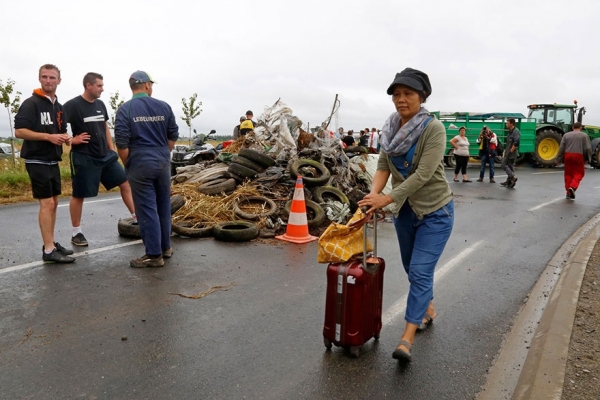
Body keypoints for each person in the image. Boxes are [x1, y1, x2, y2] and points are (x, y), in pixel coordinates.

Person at [358, 68, 453, 363]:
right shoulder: (390, 128)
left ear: (421, 97)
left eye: (408, 94)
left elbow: (423, 174)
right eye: (396, 94)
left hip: (435, 212)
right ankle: (430, 309)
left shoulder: (433, 128)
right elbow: (384, 166)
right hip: (405, 212)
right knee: (413, 269)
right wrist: (374, 196)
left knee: (421, 272)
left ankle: (406, 339)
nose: (401, 100)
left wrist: (386, 197)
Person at [114, 71, 179, 268]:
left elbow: (122, 142)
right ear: (147, 86)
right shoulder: (164, 106)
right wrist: (161, 152)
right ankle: (165, 248)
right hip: (162, 159)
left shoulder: (125, 109)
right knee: (163, 205)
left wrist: (129, 162)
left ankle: (153, 254)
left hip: (140, 160)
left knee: (146, 209)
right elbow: (173, 135)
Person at [63, 72, 136, 247]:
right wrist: (72, 140)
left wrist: (111, 149)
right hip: (84, 157)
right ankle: (76, 232)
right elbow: (57, 127)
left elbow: (104, 126)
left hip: (106, 156)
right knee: (79, 194)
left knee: (125, 183)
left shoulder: (100, 104)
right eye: (99, 86)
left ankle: (137, 218)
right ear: (88, 85)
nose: (102, 89)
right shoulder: (72, 105)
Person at [14, 64, 75, 263]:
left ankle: (51, 243)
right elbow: (20, 131)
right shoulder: (31, 103)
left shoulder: (58, 107)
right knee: (47, 203)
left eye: (52, 77)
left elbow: (59, 130)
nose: (48, 81)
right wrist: (48, 138)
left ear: (59, 80)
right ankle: (48, 251)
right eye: (44, 77)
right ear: (39, 79)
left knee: (54, 202)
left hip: (52, 160)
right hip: (36, 158)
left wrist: (65, 137)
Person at [556, 122, 591, 199]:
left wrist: (558, 159)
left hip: (567, 155)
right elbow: (588, 148)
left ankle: (568, 193)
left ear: (572, 128)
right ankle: (573, 187)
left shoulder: (566, 135)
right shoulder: (584, 136)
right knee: (579, 173)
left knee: (568, 174)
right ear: (580, 128)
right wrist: (588, 158)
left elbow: (561, 148)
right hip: (578, 156)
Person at [501, 118, 520, 188]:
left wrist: (510, 152)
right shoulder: (510, 131)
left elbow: (516, 143)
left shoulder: (515, 131)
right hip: (508, 151)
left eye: (507, 123)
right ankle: (509, 182)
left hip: (511, 153)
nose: (506, 124)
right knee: (510, 167)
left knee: (503, 164)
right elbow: (508, 143)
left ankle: (512, 177)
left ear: (512, 124)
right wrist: (505, 151)